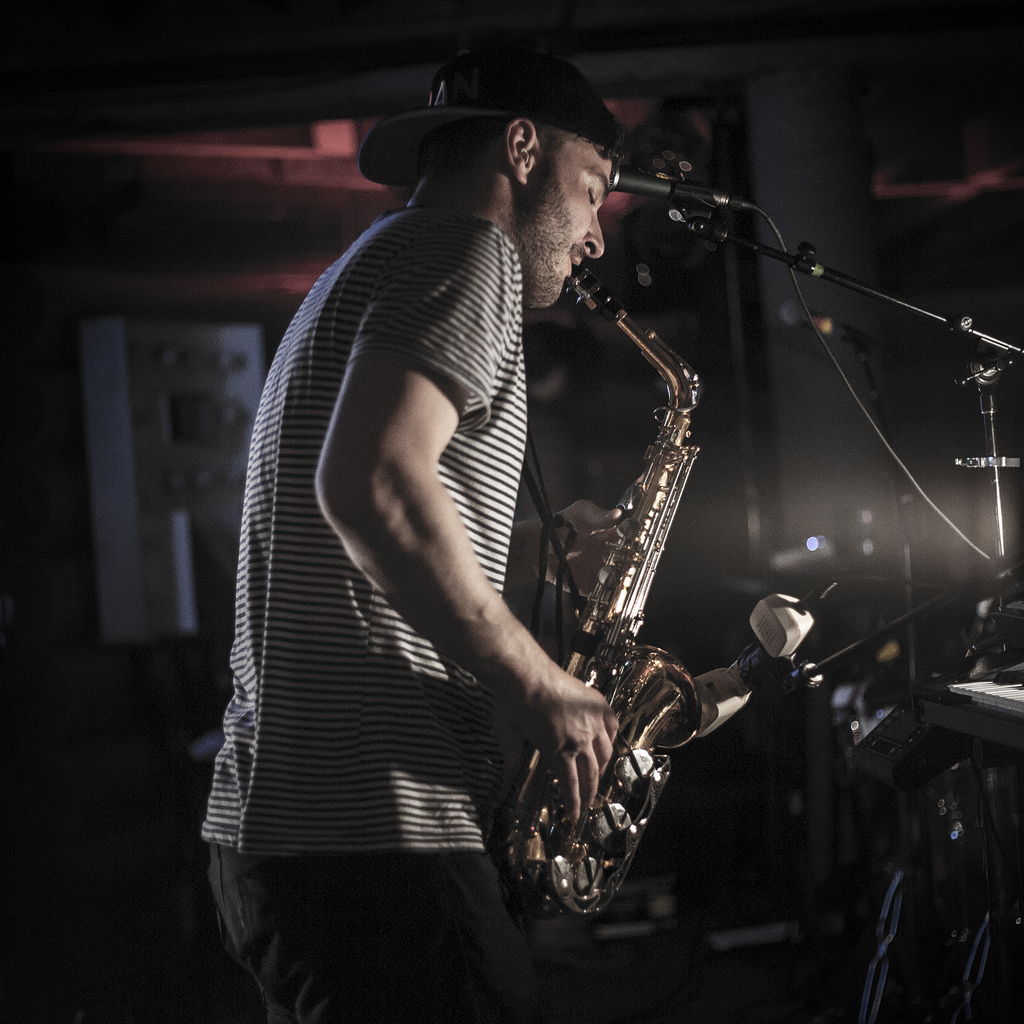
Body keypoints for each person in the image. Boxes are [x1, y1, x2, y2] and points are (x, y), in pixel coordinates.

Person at [202, 46, 626, 1024]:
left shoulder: (368, 262)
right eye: (594, 190)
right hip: (377, 833)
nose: (596, 238)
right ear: (522, 149)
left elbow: (351, 514)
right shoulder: (468, 251)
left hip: (295, 834)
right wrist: (541, 686)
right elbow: (370, 485)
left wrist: (534, 547)